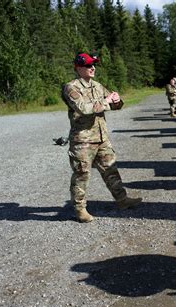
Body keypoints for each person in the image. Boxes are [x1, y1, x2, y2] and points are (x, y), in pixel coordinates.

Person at [62, 53, 142, 223]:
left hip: (101, 137)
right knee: (82, 174)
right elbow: (83, 108)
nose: (93, 68)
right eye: (89, 65)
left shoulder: (97, 86)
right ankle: (80, 209)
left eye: (94, 65)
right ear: (78, 68)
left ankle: (122, 200)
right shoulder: (71, 87)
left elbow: (115, 104)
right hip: (83, 140)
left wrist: (117, 100)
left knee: (110, 169)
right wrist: (107, 101)